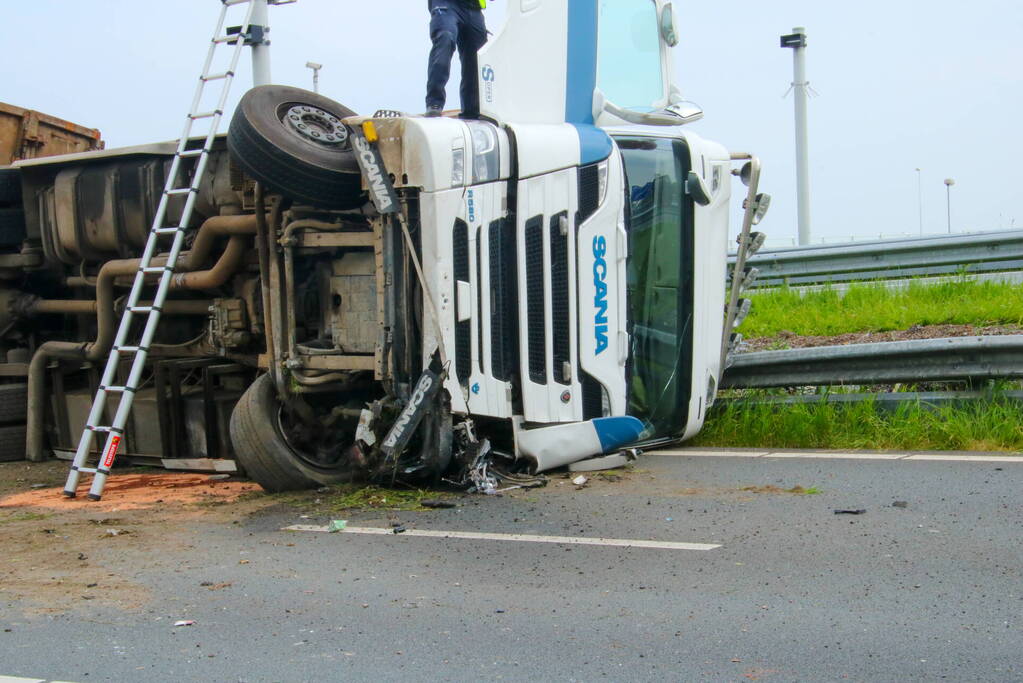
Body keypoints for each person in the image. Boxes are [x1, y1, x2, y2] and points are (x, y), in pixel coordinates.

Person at [425, 0, 489, 119]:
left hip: (473, 8)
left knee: (478, 57)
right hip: (445, 4)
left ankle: (472, 112)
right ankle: (434, 104)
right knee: (445, 38)